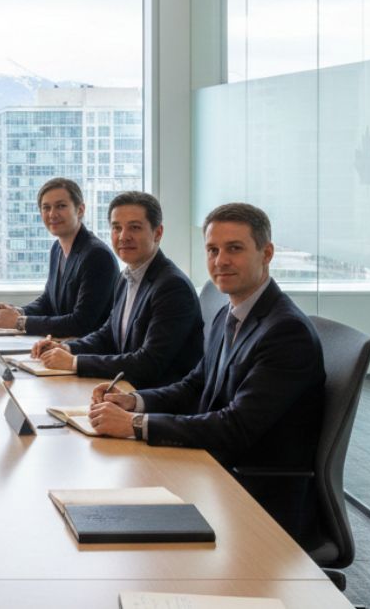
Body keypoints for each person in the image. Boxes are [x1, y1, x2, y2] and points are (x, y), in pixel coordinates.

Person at [87, 202, 325, 538]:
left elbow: (235, 426)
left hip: (255, 495)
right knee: (105, 501)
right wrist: (134, 402)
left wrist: (134, 425)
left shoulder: (286, 332)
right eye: (212, 249)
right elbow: (195, 385)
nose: (221, 260)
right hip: (213, 467)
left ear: (266, 253)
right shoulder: (228, 314)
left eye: (234, 249)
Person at [30, 192, 202, 388]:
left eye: (134, 228)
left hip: (155, 400)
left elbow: (149, 363)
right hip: (123, 389)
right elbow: (108, 335)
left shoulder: (172, 287)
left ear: (158, 233)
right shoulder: (125, 277)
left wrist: (74, 363)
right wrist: (66, 348)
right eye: (116, 227)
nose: (123, 236)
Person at [0, 177, 117, 337]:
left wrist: (19, 322)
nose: (52, 214)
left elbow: (81, 323)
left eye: (61, 206)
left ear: (80, 210)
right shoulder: (57, 248)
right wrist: (17, 312)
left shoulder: (97, 256)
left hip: (86, 352)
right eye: (46, 207)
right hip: (60, 345)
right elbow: (48, 301)